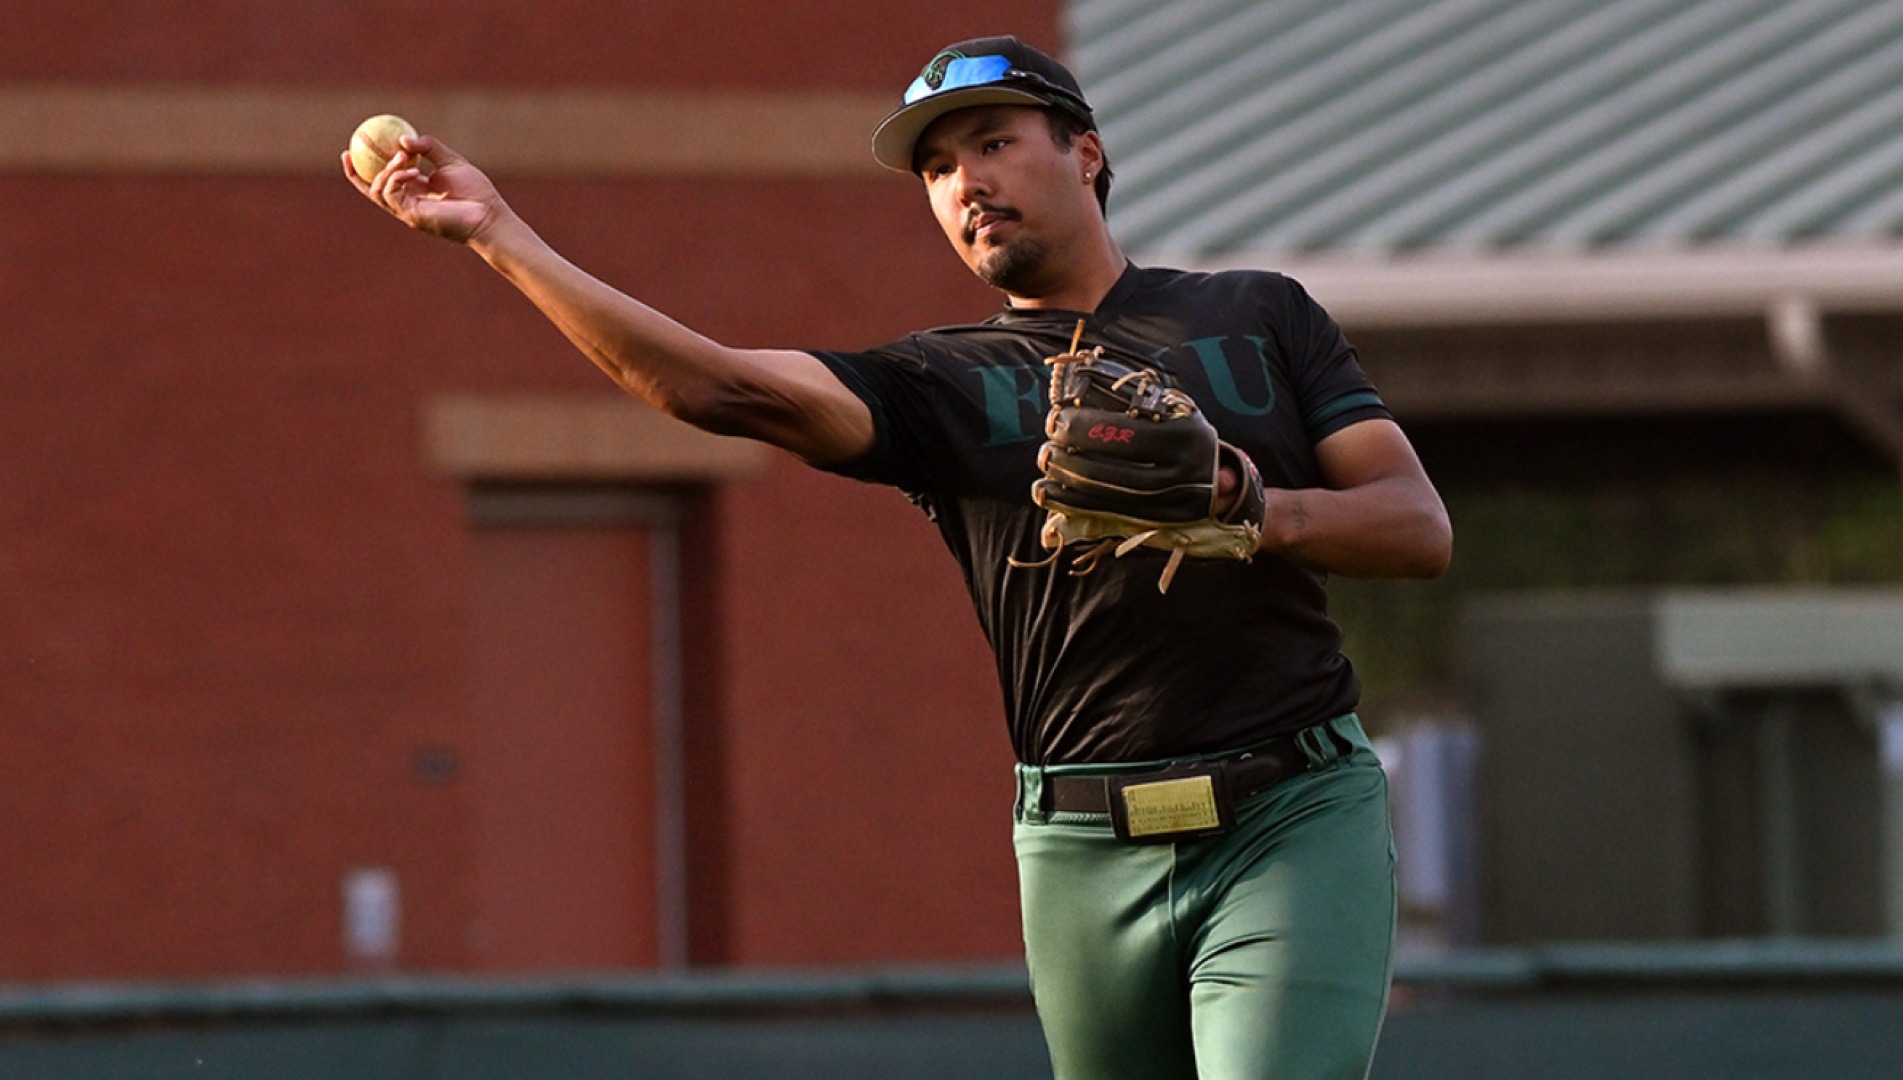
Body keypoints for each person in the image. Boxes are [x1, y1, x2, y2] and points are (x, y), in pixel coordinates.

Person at [348, 33, 1451, 1080]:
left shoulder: (1253, 315)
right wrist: (497, 231)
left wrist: (1242, 503)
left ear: (1085, 151)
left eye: (991, 141)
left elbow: (1414, 526)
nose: (963, 180)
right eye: (933, 166)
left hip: (1287, 813)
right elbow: (713, 385)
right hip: (1077, 840)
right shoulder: (940, 384)